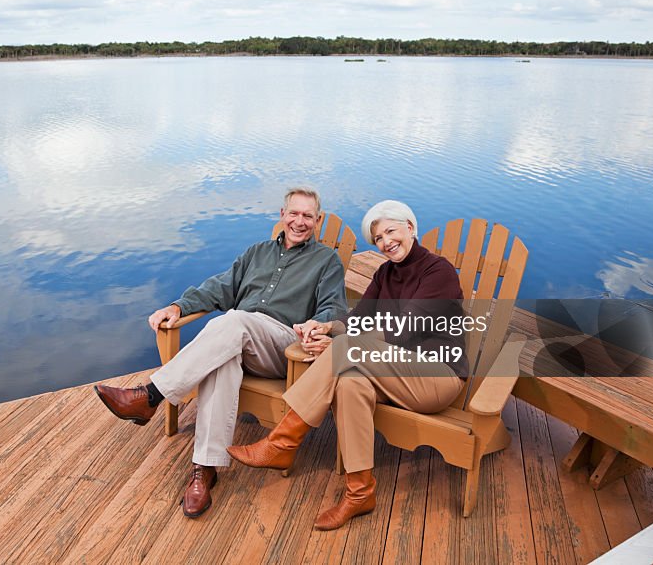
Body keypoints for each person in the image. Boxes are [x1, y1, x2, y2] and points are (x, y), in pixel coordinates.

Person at [94, 187, 347, 518]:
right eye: (294, 214)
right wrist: (178, 305)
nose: (300, 222)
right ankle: (205, 468)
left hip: (283, 346)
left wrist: (320, 325)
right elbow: (220, 287)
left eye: (308, 216)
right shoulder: (256, 253)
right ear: (282, 215)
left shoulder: (325, 261)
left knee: (234, 320)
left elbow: (335, 309)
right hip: (237, 340)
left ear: (318, 220)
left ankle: (151, 395)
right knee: (222, 361)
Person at [227, 200, 467, 530]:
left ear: (410, 228)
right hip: (392, 373)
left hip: (437, 377)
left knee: (347, 353)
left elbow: (406, 330)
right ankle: (359, 493)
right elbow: (359, 320)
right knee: (350, 382)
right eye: (379, 238)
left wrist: (342, 346)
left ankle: (281, 442)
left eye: (391, 231)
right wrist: (327, 328)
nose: (386, 242)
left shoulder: (438, 272)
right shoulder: (385, 273)